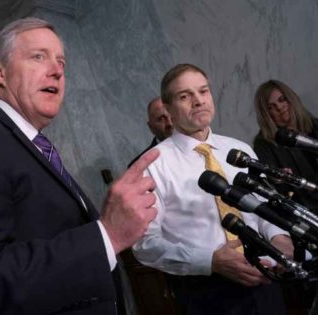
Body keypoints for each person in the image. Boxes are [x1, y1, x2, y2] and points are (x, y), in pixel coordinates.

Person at [0, 17, 159, 315]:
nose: (57, 70)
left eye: (61, 62)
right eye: (38, 56)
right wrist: (107, 235)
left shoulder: (37, 149)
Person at [132, 63, 293, 314]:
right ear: (169, 109)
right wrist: (211, 261)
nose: (198, 101)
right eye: (185, 96)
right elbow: (144, 244)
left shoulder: (240, 151)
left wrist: (280, 239)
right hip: (208, 292)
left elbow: (264, 208)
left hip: (265, 277)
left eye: (203, 91)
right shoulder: (152, 166)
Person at [253, 79, 318, 212]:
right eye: (271, 107)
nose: (279, 108)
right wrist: (277, 180)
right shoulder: (264, 144)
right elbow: (268, 188)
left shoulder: (315, 125)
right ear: (266, 115)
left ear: (291, 99)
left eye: (282, 100)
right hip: (305, 213)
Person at [128, 97, 173, 167]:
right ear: (151, 127)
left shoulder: (195, 144)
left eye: (172, 115)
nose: (170, 123)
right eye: (161, 119)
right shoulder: (139, 165)